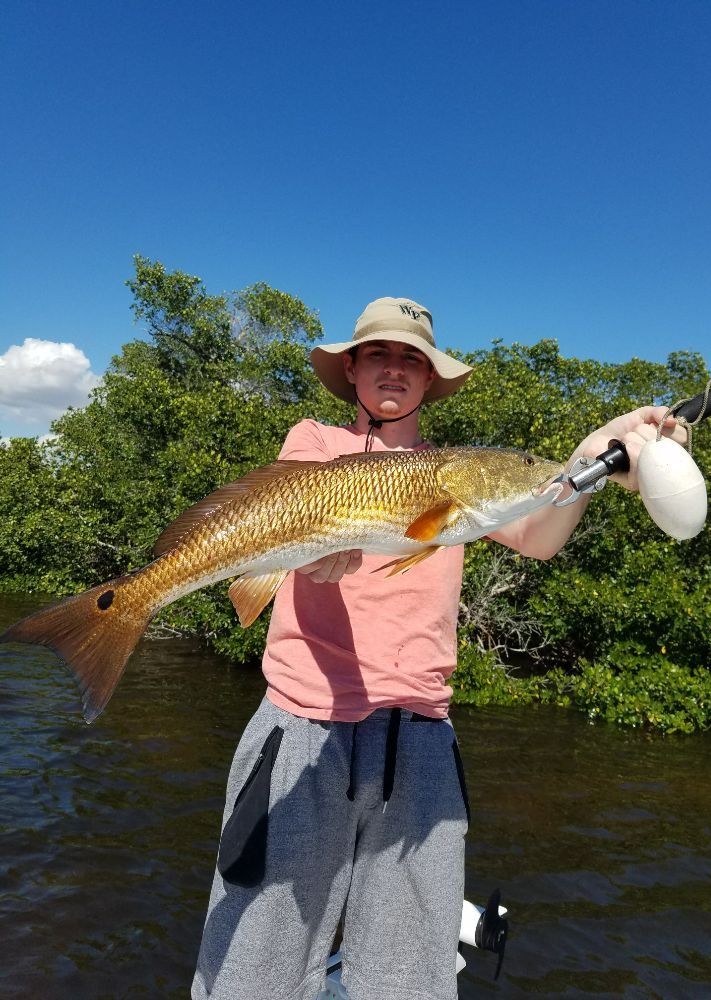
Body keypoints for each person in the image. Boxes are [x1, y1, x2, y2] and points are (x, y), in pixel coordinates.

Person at [192, 297, 686, 1000]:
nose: (395, 368)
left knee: (409, 974)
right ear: (353, 372)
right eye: (379, 355)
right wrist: (312, 553)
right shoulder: (313, 441)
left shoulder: (455, 479)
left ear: (430, 381)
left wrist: (600, 455)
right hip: (304, 727)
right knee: (256, 958)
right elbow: (293, 508)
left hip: (420, 737)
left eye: (412, 360)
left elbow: (541, 532)